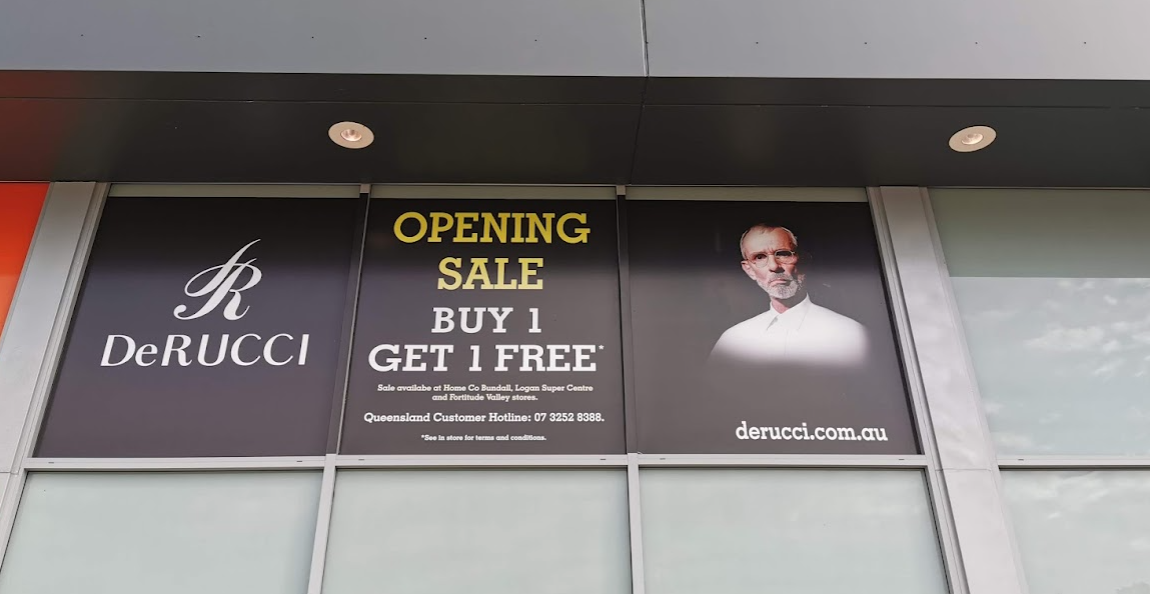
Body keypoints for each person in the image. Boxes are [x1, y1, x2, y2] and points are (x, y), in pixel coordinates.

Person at [709, 224, 868, 367]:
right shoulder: (732, 341)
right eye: (760, 257)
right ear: (749, 270)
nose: (774, 266)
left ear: (803, 261)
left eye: (783, 254)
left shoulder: (848, 333)